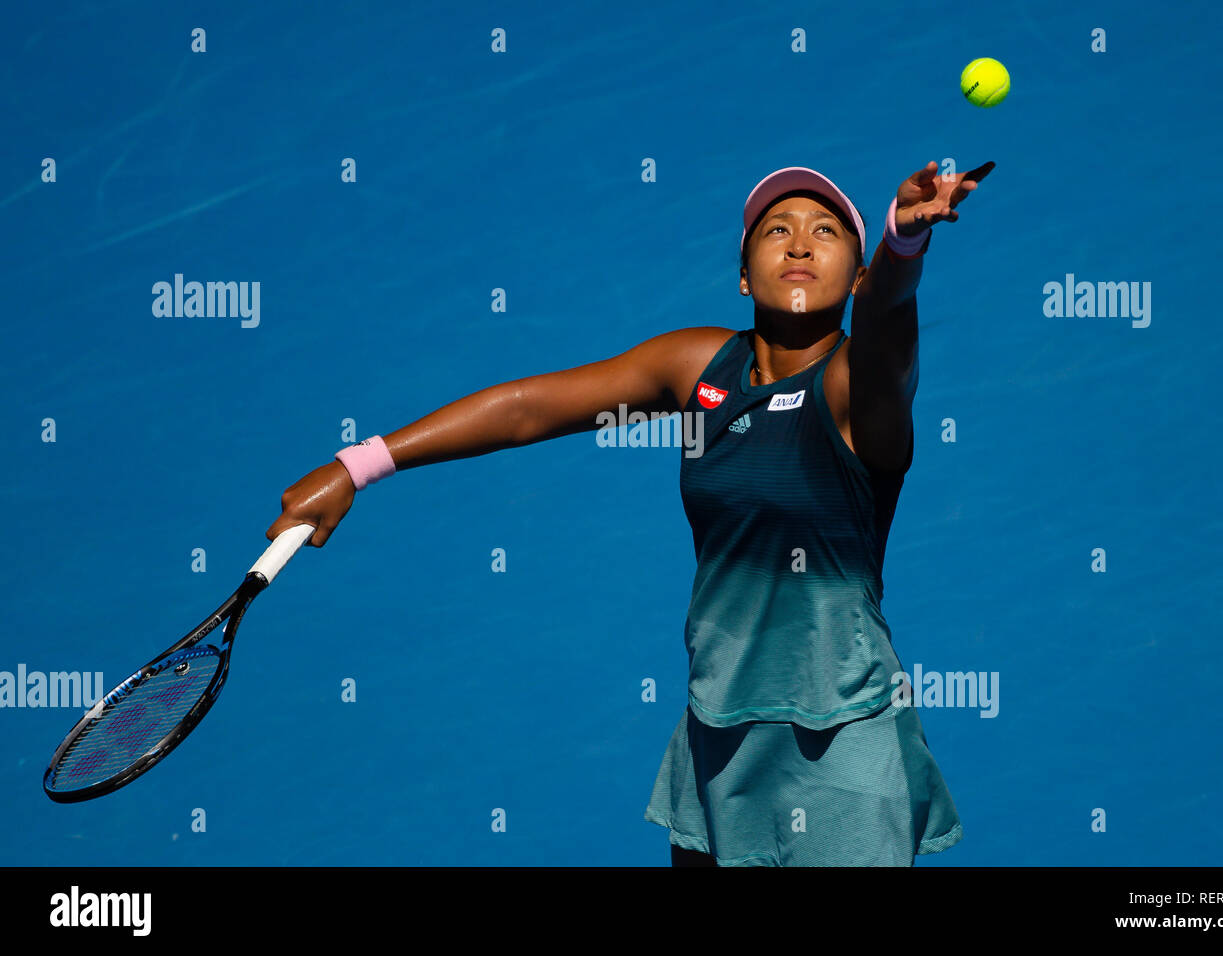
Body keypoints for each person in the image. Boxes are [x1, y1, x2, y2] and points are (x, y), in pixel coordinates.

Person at [266, 159, 994, 866]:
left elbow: (891, 331)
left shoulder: (853, 387)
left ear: (860, 279)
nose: (799, 242)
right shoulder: (696, 366)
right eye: (776, 230)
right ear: (743, 274)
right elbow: (530, 409)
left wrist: (903, 240)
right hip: (716, 732)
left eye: (826, 233)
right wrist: (357, 465)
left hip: (841, 745)